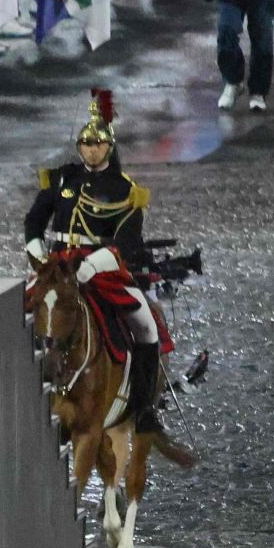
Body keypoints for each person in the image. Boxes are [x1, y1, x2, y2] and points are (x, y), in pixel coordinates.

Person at [25, 93, 174, 434]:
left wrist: (91, 267)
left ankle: (144, 405)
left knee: (145, 323)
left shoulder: (126, 190)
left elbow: (127, 242)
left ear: (109, 148)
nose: (91, 150)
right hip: (56, 266)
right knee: (20, 310)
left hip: (101, 269)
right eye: (85, 144)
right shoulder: (62, 180)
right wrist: (38, 254)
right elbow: (34, 221)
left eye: (98, 145)